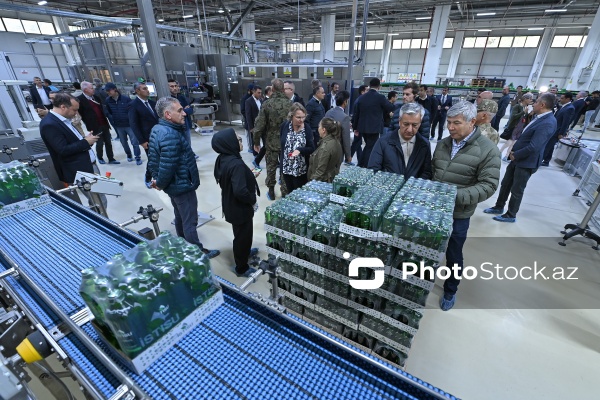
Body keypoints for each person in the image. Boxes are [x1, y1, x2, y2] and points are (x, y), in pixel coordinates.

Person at [432, 101, 501, 311]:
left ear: (472, 122)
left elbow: (488, 186)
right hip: (434, 210)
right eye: (449, 122)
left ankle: (451, 290)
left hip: (458, 213)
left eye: (456, 123)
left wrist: (452, 196)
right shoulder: (444, 143)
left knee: (454, 254)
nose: (450, 127)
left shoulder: (487, 150)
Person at [148, 96, 219, 259]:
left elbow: (153, 158)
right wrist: (159, 182)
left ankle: (183, 245)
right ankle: (197, 253)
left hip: (174, 186)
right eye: (179, 110)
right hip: (181, 186)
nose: (184, 113)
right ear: (168, 114)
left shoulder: (158, 129)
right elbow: (167, 166)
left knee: (180, 216)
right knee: (190, 220)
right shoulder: (170, 135)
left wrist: (157, 179)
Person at [484, 93, 557, 223]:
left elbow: (534, 146)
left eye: (536, 102)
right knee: (506, 184)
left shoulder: (548, 123)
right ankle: (499, 206)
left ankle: (511, 214)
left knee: (517, 189)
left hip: (526, 162)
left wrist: (515, 154)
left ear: (542, 104)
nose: (533, 104)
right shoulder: (538, 117)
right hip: (517, 159)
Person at [40, 93, 107, 211]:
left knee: (98, 198)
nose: (76, 113)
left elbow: (69, 141)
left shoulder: (63, 120)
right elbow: (63, 150)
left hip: (87, 165)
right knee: (99, 200)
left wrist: (86, 139)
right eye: (74, 110)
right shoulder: (50, 124)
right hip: (79, 170)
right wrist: (85, 142)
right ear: (63, 107)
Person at [212, 128, 260, 277]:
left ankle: (244, 253)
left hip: (230, 204)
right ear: (229, 143)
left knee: (240, 234)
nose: (241, 141)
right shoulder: (236, 164)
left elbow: (230, 179)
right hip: (240, 208)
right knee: (243, 237)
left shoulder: (223, 158)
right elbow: (240, 191)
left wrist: (248, 176)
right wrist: (252, 200)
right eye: (238, 140)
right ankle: (242, 267)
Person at [368, 103, 432, 179]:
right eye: (406, 124)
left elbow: (426, 172)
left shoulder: (424, 145)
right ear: (399, 121)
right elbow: (373, 170)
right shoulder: (383, 142)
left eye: (414, 125)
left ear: (420, 123)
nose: (409, 129)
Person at [253, 78, 291, 201]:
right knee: (285, 167)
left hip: (271, 143)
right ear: (283, 89)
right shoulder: (290, 104)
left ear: (273, 89)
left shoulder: (267, 104)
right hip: (287, 142)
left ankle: (271, 191)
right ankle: (285, 192)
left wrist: (256, 142)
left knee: (271, 167)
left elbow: (259, 125)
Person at [353, 78, 395, 167]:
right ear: (379, 86)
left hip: (362, 127)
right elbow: (390, 107)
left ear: (370, 85)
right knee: (371, 147)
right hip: (374, 127)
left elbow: (357, 113)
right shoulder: (380, 97)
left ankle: (361, 164)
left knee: (369, 145)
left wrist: (355, 128)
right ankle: (365, 165)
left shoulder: (361, 97)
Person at [77, 81, 119, 165]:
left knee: (108, 142)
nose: (93, 90)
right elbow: (80, 114)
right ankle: (100, 157)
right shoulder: (80, 100)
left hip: (104, 123)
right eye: (91, 88)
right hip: (94, 126)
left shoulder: (96, 97)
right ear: (85, 90)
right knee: (99, 143)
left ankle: (111, 158)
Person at [279, 102, 315, 193]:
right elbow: (282, 143)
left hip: (300, 170)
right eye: (298, 117)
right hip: (287, 168)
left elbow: (312, 148)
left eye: (303, 117)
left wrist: (300, 150)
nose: (301, 120)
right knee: (290, 193)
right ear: (291, 115)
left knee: (299, 194)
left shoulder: (306, 129)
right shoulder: (285, 126)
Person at [129, 82, 159, 187]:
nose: (147, 90)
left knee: (159, 157)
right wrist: (141, 141)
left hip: (158, 135)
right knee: (152, 159)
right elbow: (134, 124)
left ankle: (158, 176)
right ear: (137, 91)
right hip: (147, 138)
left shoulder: (152, 103)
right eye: (144, 88)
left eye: (147, 88)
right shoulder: (133, 105)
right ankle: (148, 178)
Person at [104, 82, 142, 165]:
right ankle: (129, 155)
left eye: (109, 90)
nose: (108, 93)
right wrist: (113, 119)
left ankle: (138, 157)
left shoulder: (126, 99)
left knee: (134, 142)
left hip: (129, 125)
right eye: (106, 91)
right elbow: (109, 112)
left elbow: (132, 110)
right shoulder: (108, 101)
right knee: (124, 143)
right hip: (119, 126)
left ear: (115, 89)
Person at [542, 92, 575, 166]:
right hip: (554, 128)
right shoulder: (563, 106)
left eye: (562, 98)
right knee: (550, 146)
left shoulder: (570, 108)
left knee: (548, 146)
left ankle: (541, 159)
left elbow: (566, 122)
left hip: (557, 131)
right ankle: (546, 161)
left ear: (568, 99)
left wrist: (561, 133)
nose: (560, 99)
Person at [499, 93, 534, 161]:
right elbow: (513, 116)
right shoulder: (517, 106)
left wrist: (529, 114)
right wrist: (523, 112)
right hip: (515, 126)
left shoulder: (525, 107)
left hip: (520, 127)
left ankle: (506, 156)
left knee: (514, 142)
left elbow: (525, 117)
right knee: (510, 141)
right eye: (530, 99)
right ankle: (500, 151)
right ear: (525, 99)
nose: (530, 100)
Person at [168, 79, 197, 159]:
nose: (175, 88)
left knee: (187, 141)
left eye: (176, 86)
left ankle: (189, 154)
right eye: (172, 86)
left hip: (185, 123)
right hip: (175, 125)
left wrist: (182, 111)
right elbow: (173, 113)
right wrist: (183, 109)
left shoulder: (182, 98)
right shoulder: (168, 100)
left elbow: (190, 109)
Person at [308, 117, 343, 182]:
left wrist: (311, 185)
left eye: (319, 126)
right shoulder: (336, 141)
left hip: (322, 182)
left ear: (323, 130)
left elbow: (320, 171)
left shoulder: (325, 147)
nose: (318, 129)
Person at [325, 90, 353, 166]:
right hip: (337, 150)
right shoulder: (345, 117)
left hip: (325, 147)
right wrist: (348, 156)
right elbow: (346, 138)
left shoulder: (328, 112)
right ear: (345, 102)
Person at [245, 85, 263, 168]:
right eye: (258, 93)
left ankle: (258, 157)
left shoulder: (261, 100)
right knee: (255, 141)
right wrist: (251, 127)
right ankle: (256, 156)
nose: (260, 94)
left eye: (260, 93)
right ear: (253, 92)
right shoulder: (249, 101)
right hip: (254, 126)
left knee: (265, 142)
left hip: (262, 125)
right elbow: (248, 115)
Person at [350, 84, 368, 163]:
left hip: (359, 125)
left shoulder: (361, 100)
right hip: (358, 126)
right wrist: (355, 127)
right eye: (367, 90)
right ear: (362, 91)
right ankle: (349, 158)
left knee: (358, 143)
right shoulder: (360, 101)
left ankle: (360, 159)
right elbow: (356, 114)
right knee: (356, 142)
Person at [240, 84, 254, 149]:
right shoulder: (245, 98)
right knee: (249, 135)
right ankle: (250, 147)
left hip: (254, 120)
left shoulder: (254, 98)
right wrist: (248, 117)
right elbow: (242, 110)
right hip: (248, 120)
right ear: (249, 90)